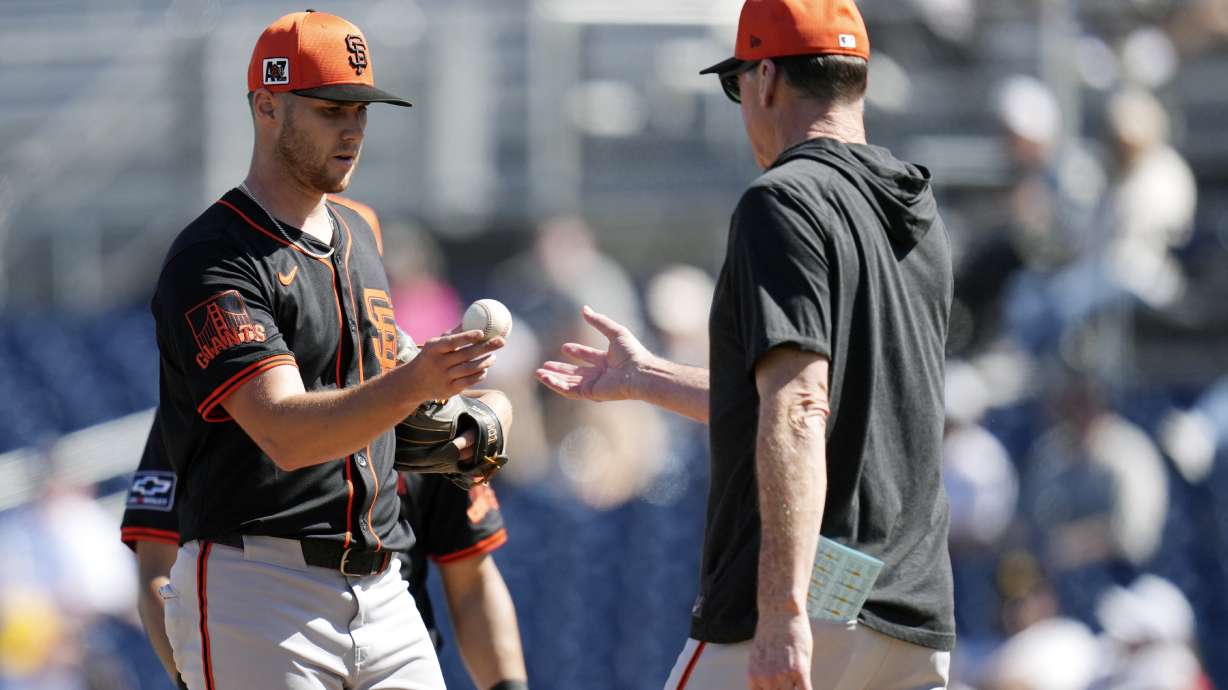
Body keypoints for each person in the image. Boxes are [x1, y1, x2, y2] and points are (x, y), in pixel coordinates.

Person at [536, 1, 955, 687]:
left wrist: (783, 609)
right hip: (913, 617)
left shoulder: (785, 199)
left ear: (765, 80)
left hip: (816, 604)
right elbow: (832, 408)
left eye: (738, 86)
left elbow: (796, 407)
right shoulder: (916, 214)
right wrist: (650, 378)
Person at [147, 10, 506, 690]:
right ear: (267, 106)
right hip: (257, 588)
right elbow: (283, 432)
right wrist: (414, 383)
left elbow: (384, 396)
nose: (353, 129)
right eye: (332, 109)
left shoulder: (361, 235)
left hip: (384, 584)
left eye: (363, 110)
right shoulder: (214, 256)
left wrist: (454, 417)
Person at [121, 416, 530, 690]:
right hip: (266, 656)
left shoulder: (412, 394)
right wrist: (196, 677)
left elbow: (472, 578)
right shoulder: (212, 393)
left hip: (394, 662)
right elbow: (158, 569)